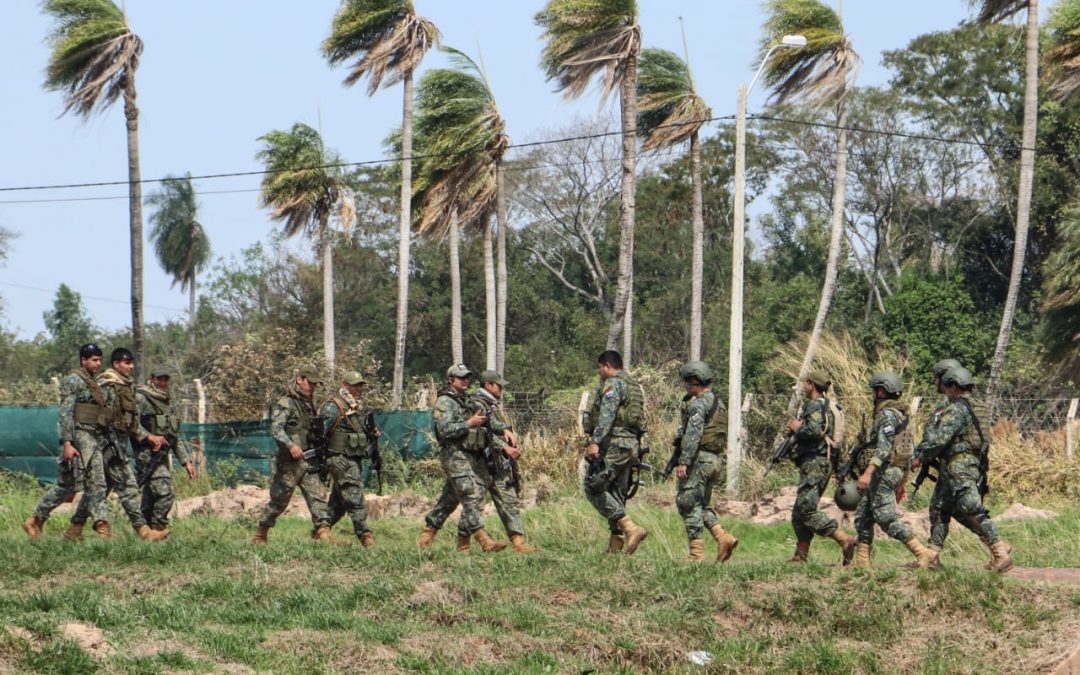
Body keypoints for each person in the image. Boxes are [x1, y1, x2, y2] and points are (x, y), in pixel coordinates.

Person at [912, 366, 1013, 572]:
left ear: (954, 386)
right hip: (954, 466)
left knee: (970, 507)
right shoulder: (975, 405)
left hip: (960, 466)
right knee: (940, 509)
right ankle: (932, 555)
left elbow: (940, 439)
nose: (945, 389)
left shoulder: (957, 408)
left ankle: (1000, 551)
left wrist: (920, 456)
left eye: (947, 385)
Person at [70, 348, 170, 541]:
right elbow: (96, 418)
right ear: (116, 364)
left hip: (117, 445)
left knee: (98, 490)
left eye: (132, 363)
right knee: (128, 487)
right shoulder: (106, 385)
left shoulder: (124, 386)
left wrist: (148, 437)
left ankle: (73, 530)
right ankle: (144, 531)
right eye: (127, 363)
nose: (131, 367)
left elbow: (130, 420)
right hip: (107, 447)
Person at [419, 364, 510, 552]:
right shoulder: (445, 402)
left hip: (469, 455)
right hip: (453, 454)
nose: (466, 381)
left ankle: (428, 538)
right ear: (451, 380)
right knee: (470, 494)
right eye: (461, 378)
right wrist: (469, 423)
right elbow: (444, 430)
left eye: (468, 377)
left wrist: (504, 429)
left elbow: (488, 420)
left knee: (449, 499)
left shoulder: (467, 401)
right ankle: (484, 540)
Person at [22, 344, 109, 540]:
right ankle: (101, 526)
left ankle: (41, 521)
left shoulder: (94, 382)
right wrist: (68, 444)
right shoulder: (73, 380)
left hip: (93, 438)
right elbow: (66, 413)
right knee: (82, 484)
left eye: (99, 360)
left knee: (83, 485)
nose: (98, 363)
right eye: (94, 360)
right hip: (78, 438)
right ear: (83, 360)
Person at [850, 372, 936, 568]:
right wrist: (902, 480)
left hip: (884, 472)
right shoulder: (900, 414)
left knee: (885, 517)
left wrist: (867, 473)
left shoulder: (887, 415)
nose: (872, 394)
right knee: (864, 515)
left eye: (874, 390)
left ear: (881, 391)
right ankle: (862, 562)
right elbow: (906, 450)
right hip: (893, 471)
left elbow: (884, 448)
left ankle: (922, 552)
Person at [252, 364, 333, 544]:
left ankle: (324, 534)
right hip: (289, 463)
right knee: (279, 500)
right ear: (299, 380)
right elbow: (276, 428)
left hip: (308, 460)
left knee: (318, 496)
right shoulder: (286, 402)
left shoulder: (310, 405)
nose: (312, 387)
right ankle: (261, 532)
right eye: (309, 383)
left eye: (315, 384)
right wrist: (290, 446)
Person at [785, 370, 856, 564]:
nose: (804, 387)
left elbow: (814, 430)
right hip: (825, 462)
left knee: (806, 510)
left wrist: (797, 428)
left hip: (816, 463)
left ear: (812, 385)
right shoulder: (832, 407)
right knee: (799, 512)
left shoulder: (815, 405)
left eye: (806, 383)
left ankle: (844, 540)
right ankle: (801, 555)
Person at [582, 350, 648, 555]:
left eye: (600, 368)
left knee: (593, 486)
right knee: (616, 493)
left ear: (607, 366)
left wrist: (595, 442)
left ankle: (630, 528)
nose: (599, 372)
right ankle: (615, 545)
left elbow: (607, 415)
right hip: (631, 446)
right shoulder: (634, 386)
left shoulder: (614, 384)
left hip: (615, 444)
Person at [673, 361, 738, 562]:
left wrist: (684, 461)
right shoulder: (719, 403)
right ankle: (722, 537)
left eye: (687, 383)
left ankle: (696, 555)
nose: (686, 387)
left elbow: (693, 434)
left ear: (695, 381)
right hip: (714, 460)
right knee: (702, 504)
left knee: (687, 502)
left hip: (699, 460)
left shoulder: (699, 403)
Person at [135, 367, 197, 535]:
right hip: (146, 453)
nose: (162, 383)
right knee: (165, 492)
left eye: (165, 379)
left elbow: (173, 436)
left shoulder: (168, 402)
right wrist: (149, 437)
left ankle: (145, 532)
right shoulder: (141, 397)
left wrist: (186, 462)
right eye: (159, 379)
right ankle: (158, 527)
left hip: (161, 454)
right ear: (152, 378)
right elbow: (130, 423)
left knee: (150, 496)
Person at [321, 371, 378, 547]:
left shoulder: (353, 406)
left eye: (361, 385)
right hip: (340, 459)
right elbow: (319, 434)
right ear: (345, 385)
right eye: (355, 385)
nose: (359, 389)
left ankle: (321, 530)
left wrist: (370, 434)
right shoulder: (333, 406)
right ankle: (365, 536)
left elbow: (355, 431)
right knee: (355, 496)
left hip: (353, 458)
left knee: (338, 503)